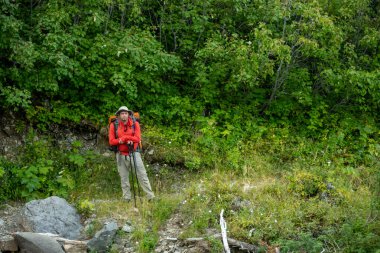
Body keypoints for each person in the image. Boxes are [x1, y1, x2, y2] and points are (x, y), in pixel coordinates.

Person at [109, 106, 155, 202]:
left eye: (126, 113)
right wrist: (125, 139)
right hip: (120, 154)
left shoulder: (135, 124)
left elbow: (138, 139)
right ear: (118, 115)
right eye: (122, 113)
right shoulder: (114, 125)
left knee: (142, 175)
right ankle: (126, 198)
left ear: (129, 114)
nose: (124, 115)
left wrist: (125, 138)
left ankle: (150, 196)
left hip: (134, 153)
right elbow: (112, 141)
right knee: (123, 177)